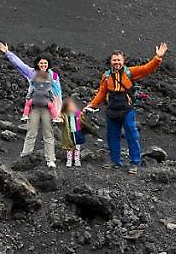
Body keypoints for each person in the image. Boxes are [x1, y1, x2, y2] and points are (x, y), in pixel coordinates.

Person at [86, 43, 168, 173]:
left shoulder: (130, 72)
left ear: (123, 61)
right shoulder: (106, 76)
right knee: (112, 136)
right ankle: (115, 161)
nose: (116, 62)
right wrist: (91, 105)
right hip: (112, 111)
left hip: (126, 110)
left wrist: (157, 58)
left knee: (132, 135)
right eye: (114, 60)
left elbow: (147, 69)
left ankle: (135, 163)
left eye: (119, 60)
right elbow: (101, 93)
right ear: (111, 61)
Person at [0, 41, 61, 168]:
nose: (43, 64)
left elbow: (58, 93)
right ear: (38, 63)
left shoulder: (53, 75)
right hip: (35, 108)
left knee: (48, 134)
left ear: (48, 64)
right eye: (41, 62)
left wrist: (57, 111)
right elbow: (19, 64)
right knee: (31, 133)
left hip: (48, 108)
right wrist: (7, 53)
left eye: (45, 63)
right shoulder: (31, 73)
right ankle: (25, 156)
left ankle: (50, 159)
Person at [58, 96, 93, 167]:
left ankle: (77, 160)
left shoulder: (78, 113)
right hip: (69, 133)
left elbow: (83, 119)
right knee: (69, 148)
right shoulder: (65, 115)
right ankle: (69, 160)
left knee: (77, 147)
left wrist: (86, 111)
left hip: (78, 132)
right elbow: (61, 121)